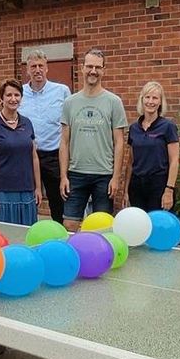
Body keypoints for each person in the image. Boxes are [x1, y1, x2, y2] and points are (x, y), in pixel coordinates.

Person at [59, 49, 128, 232]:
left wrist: (115, 177)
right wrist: (63, 176)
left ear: (104, 70)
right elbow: (64, 142)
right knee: (70, 224)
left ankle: (99, 259)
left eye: (98, 67)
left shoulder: (114, 102)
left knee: (103, 227)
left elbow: (119, 142)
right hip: (76, 173)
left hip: (104, 175)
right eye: (89, 66)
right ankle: (77, 258)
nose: (93, 71)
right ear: (81, 69)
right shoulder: (70, 103)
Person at [0, 78, 42, 225]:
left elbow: (34, 157)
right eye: (9, 95)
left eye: (17, 95)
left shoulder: (27, 123)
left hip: (26, 193)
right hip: (1, 194)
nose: (13, 99)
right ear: (1, 98)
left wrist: (38, 188)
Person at [18, 50, 71, 223]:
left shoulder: (62, 91)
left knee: (59, 200)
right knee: (28, 200)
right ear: (27, 70)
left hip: (53, 155)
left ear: (47, 68)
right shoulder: (19, 93)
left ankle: (61, 236)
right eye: (33, 66)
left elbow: (69, 123)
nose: (37, 70)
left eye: (41, 66)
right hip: (26, 156)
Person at [123, 81, 180, 212]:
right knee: (140, 228)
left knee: (157, 226)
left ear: (160, 102)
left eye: (155, 98)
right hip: (137, 186)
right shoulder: (133, 128)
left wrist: (169, 190)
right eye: (147, 97)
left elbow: (174, 161)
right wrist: (126, 191)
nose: (150, 101)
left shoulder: (168, 127)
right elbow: (130, 162)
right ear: (142, 100)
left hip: (159, 185)